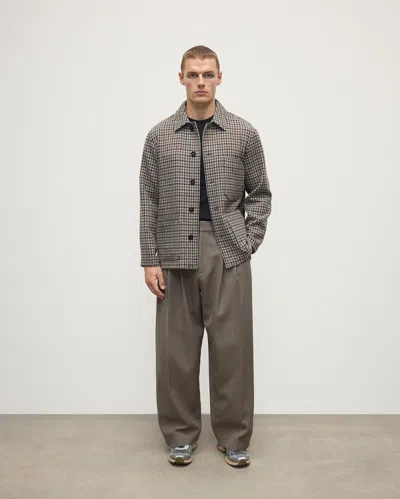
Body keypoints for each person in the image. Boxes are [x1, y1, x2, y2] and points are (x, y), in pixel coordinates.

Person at [139, 45, 272, 467]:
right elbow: (148, 200)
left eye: (208, 74)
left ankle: (234, 437)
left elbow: (260, 194)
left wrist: (248, 241)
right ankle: (180, 435)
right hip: (173, 250)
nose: (200, 82)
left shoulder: (243, 133)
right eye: (193, 74)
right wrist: (150, 258)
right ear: (180, 78)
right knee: (176, 351)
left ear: (219, 78)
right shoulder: (159, 136)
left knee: (232, 348)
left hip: (228, 251)